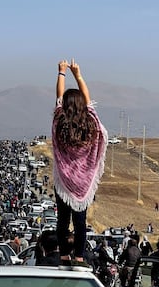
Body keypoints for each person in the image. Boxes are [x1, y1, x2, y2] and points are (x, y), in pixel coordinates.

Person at [52, 59, 107, 271]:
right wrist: (78, 74)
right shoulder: (91, 122)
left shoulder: (59, 121)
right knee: (80, 221)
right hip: (83, 183)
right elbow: (89, 101)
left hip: (63, 181)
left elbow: (58, 97)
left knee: (63, 220)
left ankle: (64, 256)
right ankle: (80, 257)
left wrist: (61, 73)